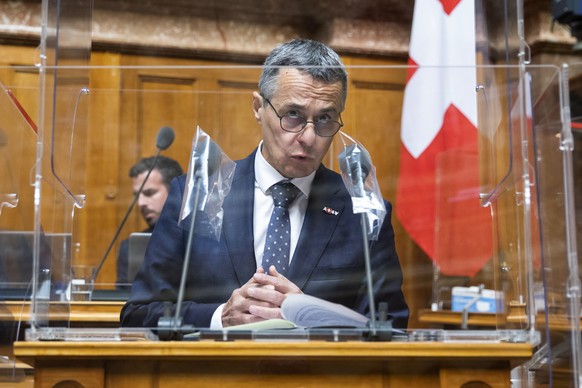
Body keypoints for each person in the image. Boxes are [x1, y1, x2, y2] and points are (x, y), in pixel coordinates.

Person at [120, 38, 409, 329]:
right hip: (213, 372)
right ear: (258, 107)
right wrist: (220, 317)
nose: (309, 137)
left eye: (324, 119)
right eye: (293, 115)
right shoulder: (196, 194)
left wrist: (312, 316)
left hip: (319, 374)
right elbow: (139, 314)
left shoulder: (363, 212)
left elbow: (392, 325)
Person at [116, 155, 183, 286]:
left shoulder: (203, 240)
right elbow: (124, 301)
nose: (140, 203)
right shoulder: (130, 247)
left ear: (175, 191)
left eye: (149, 193)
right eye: (137, 196)